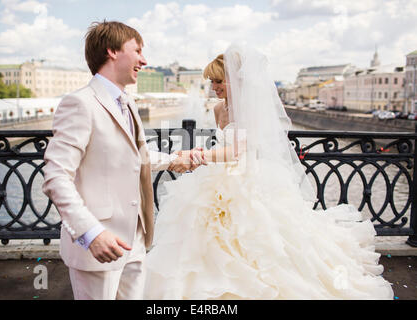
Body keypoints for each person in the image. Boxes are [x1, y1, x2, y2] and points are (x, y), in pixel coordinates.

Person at [143, 44, 394, 299]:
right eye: (211, 82)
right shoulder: (219, 109)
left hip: (247, 179)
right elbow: (225, 146)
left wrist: (198, 155)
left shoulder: (249, 110)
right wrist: (204, 152)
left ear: (235, 80)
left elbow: (239, 151)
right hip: (218, 177)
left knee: (255, 240)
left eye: (218, 81)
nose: (213, 87)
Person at [42, 20, 203, 300]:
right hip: (99, 243)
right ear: (112, 51)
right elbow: (56, 177)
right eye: (137, 50)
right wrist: (90, 233)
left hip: (135, 239)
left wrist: (176, 159)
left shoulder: (126, 102)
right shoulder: (80, 103)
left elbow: (133, 157)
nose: (144, 59)